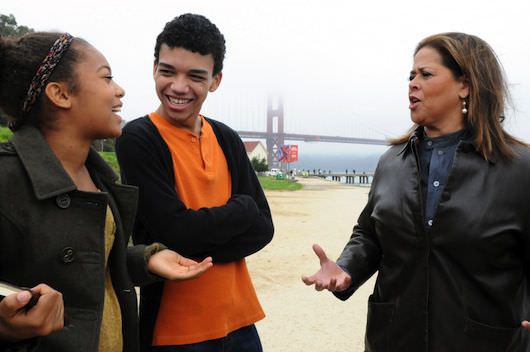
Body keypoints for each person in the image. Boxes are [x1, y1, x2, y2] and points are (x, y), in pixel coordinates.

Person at [302, 32, 530, 351]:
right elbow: (369, 234)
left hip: (485, 340)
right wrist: (346, 267)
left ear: (465, 85)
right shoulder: (391, 162)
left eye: (426, 74)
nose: (412, 83)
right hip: (393, 338)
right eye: (410, 75)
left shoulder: (519, 168)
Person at [0, 31, 213, 351]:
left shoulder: (98, 177)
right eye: (106, 78)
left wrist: (147, 259)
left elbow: (87, 264)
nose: (119, 90)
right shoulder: (6, 180)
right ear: (60, 94)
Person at [115, 14, 274, 352]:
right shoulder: (139, 138)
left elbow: (264, 229)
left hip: (241, 321)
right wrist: (241, 209)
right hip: (174, 333)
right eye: (168, 71)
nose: (178, 87)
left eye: (196, 76)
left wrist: (192, 241)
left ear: (215, 80)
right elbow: (175, 233)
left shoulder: (227, 138)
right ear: (154, 67)